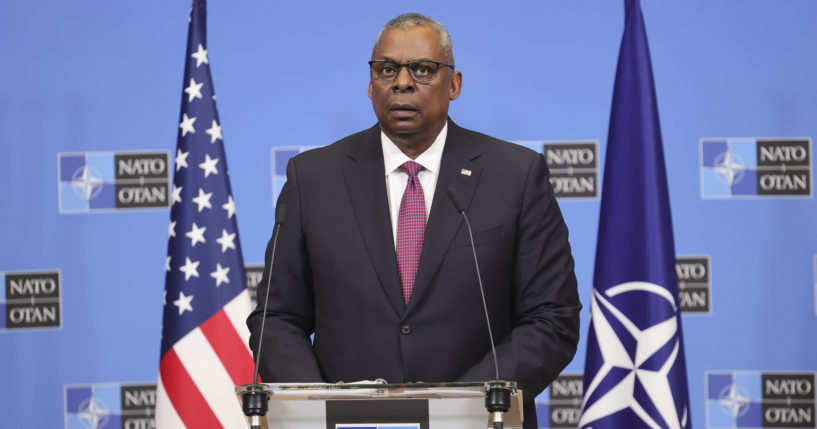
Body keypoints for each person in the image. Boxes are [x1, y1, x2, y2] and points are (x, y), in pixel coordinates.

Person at [247, 13, 581, 428]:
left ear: (454, 84)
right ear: (371, 84)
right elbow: (277, 318)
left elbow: (553, 317)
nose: (402, 83)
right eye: (387, 69)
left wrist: (462, 405)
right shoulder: (312, 178)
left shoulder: (516, 176)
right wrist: (323, 408)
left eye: (422, 70)